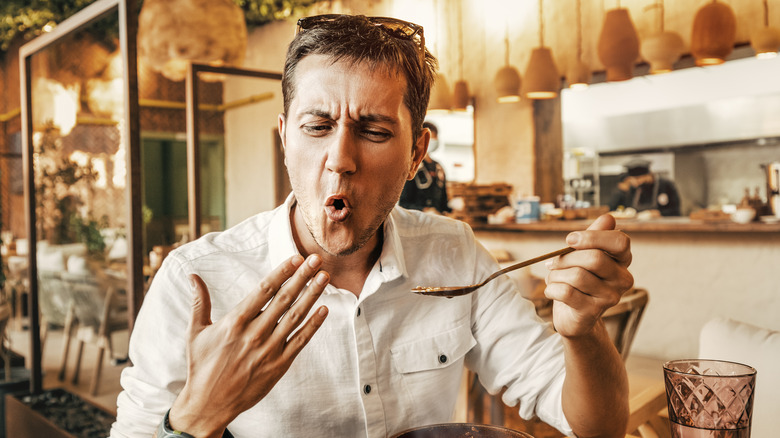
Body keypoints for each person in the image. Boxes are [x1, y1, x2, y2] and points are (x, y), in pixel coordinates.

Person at [111, 14, 633, 438]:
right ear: (285, 139)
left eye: (374, 131)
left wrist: (582, 333)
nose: (339, 160)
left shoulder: (454, 254)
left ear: (416, 154)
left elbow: (598, 426)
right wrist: (194, 418)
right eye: (316, 127)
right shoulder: (196, 280)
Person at [398, 121, 451, 214]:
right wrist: (424, 210)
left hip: (436, 222)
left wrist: (451, 207)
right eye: (433, 137)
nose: (436, 139)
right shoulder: (412, 166)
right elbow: (404, 203)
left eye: (436, 137)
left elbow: (443, 202)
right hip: (415, 222)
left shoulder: (439, 168)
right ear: (422, 139)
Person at [608, 157, 681, 217]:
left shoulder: (665, 185)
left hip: (664, 228)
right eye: (633, 179)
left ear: (648, 175)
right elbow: (629, 206)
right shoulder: (634, 188)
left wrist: (658, 213)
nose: (636, 183)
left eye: (638, 179)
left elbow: (675, 211)